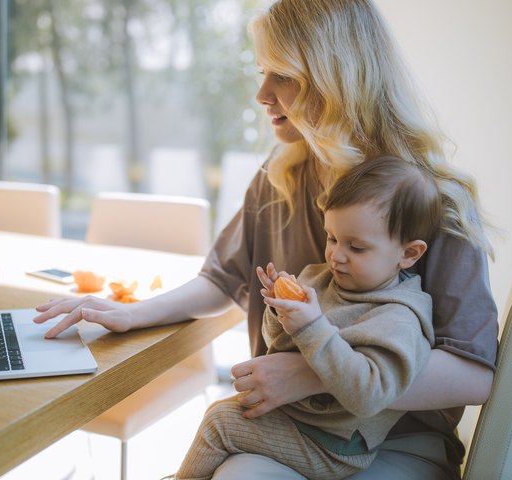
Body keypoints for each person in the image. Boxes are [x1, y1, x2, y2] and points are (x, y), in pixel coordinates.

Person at [33, 0, 498, 478]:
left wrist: (314, 374)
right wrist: (133, 313)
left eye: (284, 76)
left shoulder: (432, 200)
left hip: (396, 442)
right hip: (294, 424)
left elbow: (474, 374)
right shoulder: (280, 176)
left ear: (337, 79)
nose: (261, 94)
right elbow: (223, 279)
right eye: (262, 72)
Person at [175, 156, 440, 480]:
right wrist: (280, 310)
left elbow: (369, 396)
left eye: (356, 247)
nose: (336, 256)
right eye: (332, 238)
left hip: (333, 445)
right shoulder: (321, 278)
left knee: (219, 424)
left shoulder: (399, 317)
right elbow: (279, 344)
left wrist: (312, 327)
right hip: (298, 418)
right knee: (222, 411)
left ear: (409, 253)